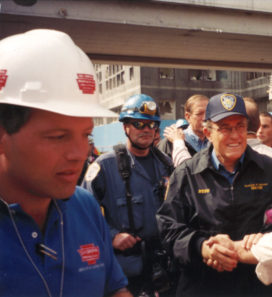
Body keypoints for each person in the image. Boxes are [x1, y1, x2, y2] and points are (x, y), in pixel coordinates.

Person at [0, 29, 131, 297]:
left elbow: (114, 290)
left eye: (86, 135)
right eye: (58, 137)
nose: (78, 153)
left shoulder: (84, 207)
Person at [156, 93, 272, 297]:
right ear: (207, 132)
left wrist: (267, 236)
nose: (235, 135)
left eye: (240, 126)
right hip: (202, 286)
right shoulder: (187, 174)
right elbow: (168, 229)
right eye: (225, 128)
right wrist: (201, 247)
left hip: (256, 286)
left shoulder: (270, 169)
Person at [82, 94, 174, 296]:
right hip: (126, 272)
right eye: (139, 124)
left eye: (152, 125)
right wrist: (112, 236)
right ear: (125, 127)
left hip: (164, 267)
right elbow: (82, 215)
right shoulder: (105, 167)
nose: (147, 130)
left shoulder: (166, 164)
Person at [157, 94, 209, 159]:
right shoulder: (170, 143)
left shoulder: (216, 141)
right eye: (199, 114)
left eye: (208, 113)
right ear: (188, 116)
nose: (205, 118)